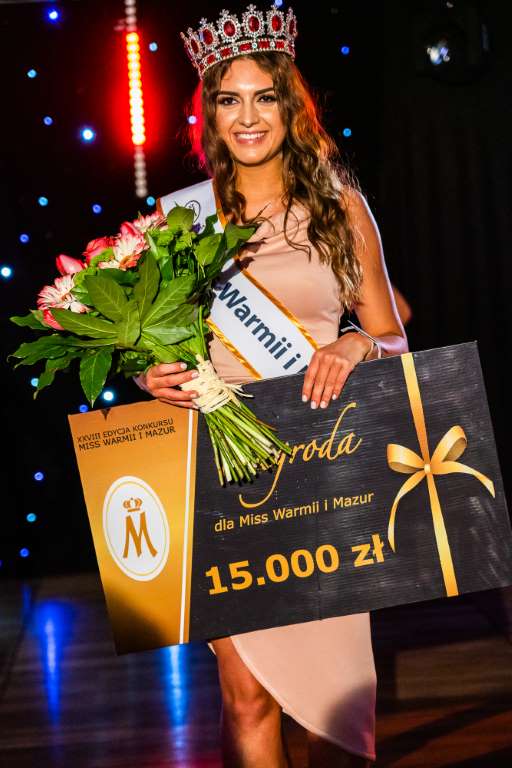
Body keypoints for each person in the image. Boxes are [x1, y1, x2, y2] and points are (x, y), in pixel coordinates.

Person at [134, 4, 408, 766]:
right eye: (229, 99)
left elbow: (393, 336)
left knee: (334, 704)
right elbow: (156, 346)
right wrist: (152, 375)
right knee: (246, 695)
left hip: (326, 468)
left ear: (291, 107)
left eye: (264, 98)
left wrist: (358, 343)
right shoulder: (178, 219)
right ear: (209, 113)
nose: (248, 117)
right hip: (224, 477)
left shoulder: (340, 206)